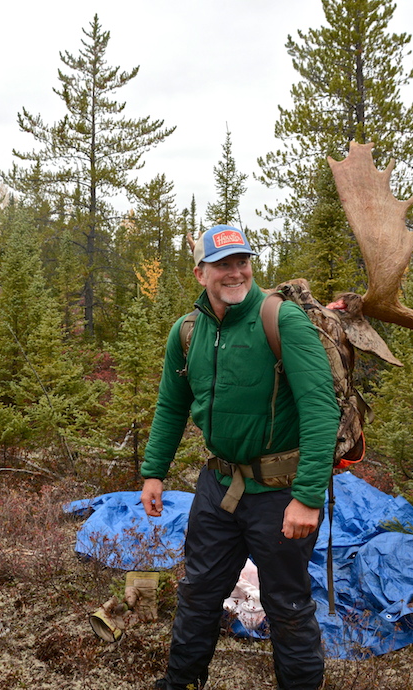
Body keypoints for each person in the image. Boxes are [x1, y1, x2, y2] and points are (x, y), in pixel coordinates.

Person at [140, 224, 339, 690]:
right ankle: (180, 683)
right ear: (200, 273)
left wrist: (308, 497)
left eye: (242, 262)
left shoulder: (282, 320)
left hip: (280, 492)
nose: (235, 273)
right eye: (222, 265)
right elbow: (171, 405)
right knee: (198, 594)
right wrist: (154, 472)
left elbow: (320, 408)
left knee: (287, 605)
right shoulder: (187, 331)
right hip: (219, 487)